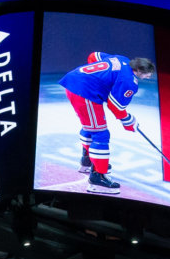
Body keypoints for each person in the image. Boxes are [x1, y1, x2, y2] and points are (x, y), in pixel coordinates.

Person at [59, 52, 156, 194]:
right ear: (139, 70)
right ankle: (98, 177)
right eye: (148, 74)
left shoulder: (122, 59)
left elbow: (94, 56)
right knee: (100, 134)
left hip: (74, 82)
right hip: (86, 93)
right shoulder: (129, 81)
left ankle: (87, 160)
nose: (148, 77)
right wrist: (129, 121)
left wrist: (95, 79)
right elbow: (115, 106)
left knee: (91, 126)